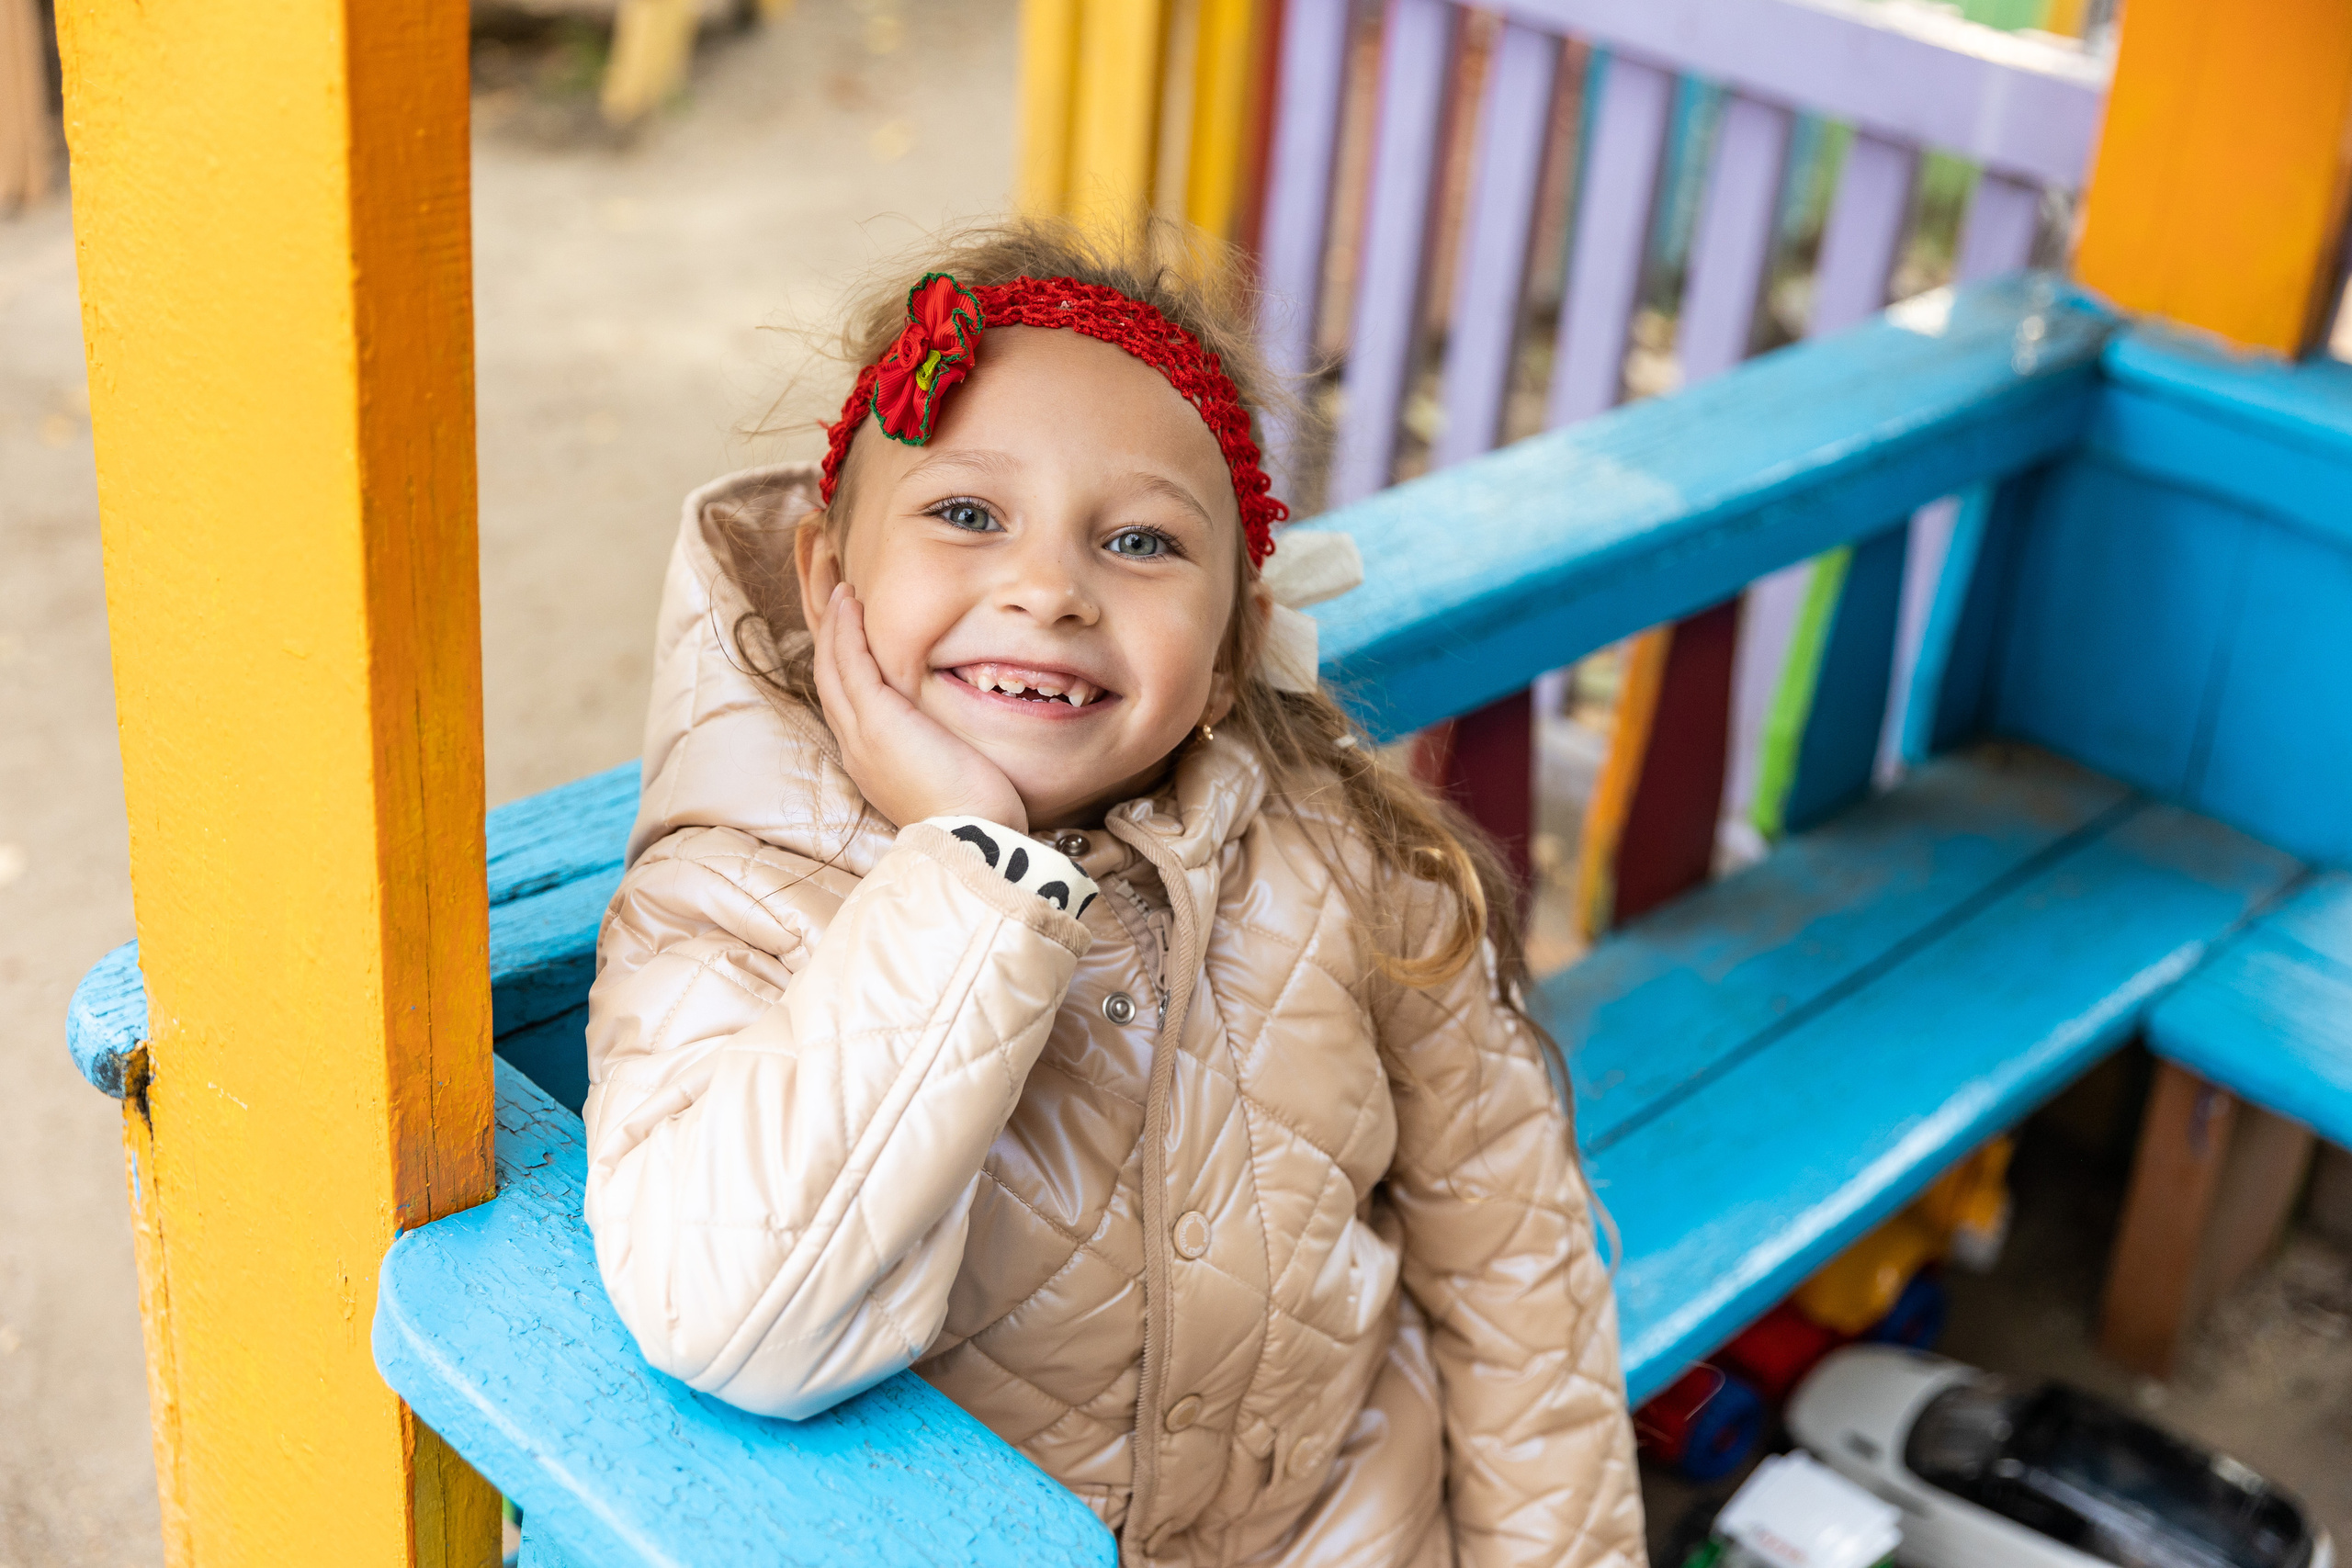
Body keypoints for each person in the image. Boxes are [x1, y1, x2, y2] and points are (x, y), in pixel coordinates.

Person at [581, 217, 1645, 1568]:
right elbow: (732, 1312)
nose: (1048, 590)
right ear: (829, 578)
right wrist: (970, 865)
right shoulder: (736, 890)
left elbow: (1516, 1273)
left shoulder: (1346, 864)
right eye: (968, 514)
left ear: (1235, 646)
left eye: (1141, 541)